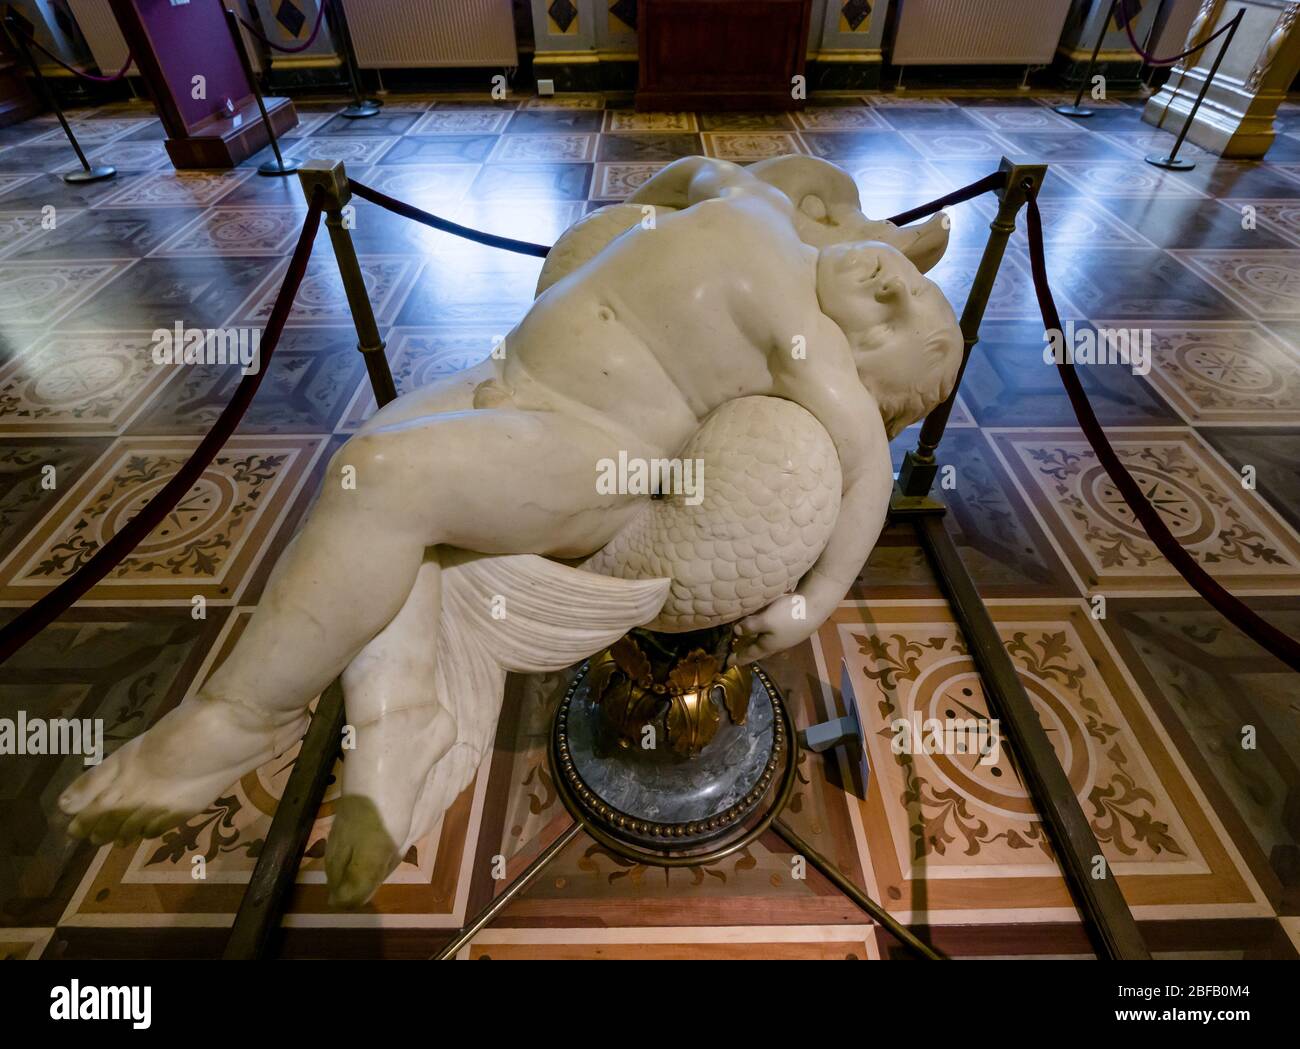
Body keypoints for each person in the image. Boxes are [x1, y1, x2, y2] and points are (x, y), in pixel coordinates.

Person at [59, 156, 962, 905]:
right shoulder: (764, 206)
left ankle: (242, 715)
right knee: (373, 472)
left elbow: (865, 474)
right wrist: (844, 220)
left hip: (583, 448)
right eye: (911, 286)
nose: (891, 289)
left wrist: (816, 600)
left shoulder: (813, 354)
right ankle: (399, 720)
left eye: (893, 321)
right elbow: (694, 177)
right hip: (505, 378)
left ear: (863, 373)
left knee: (387, 483)